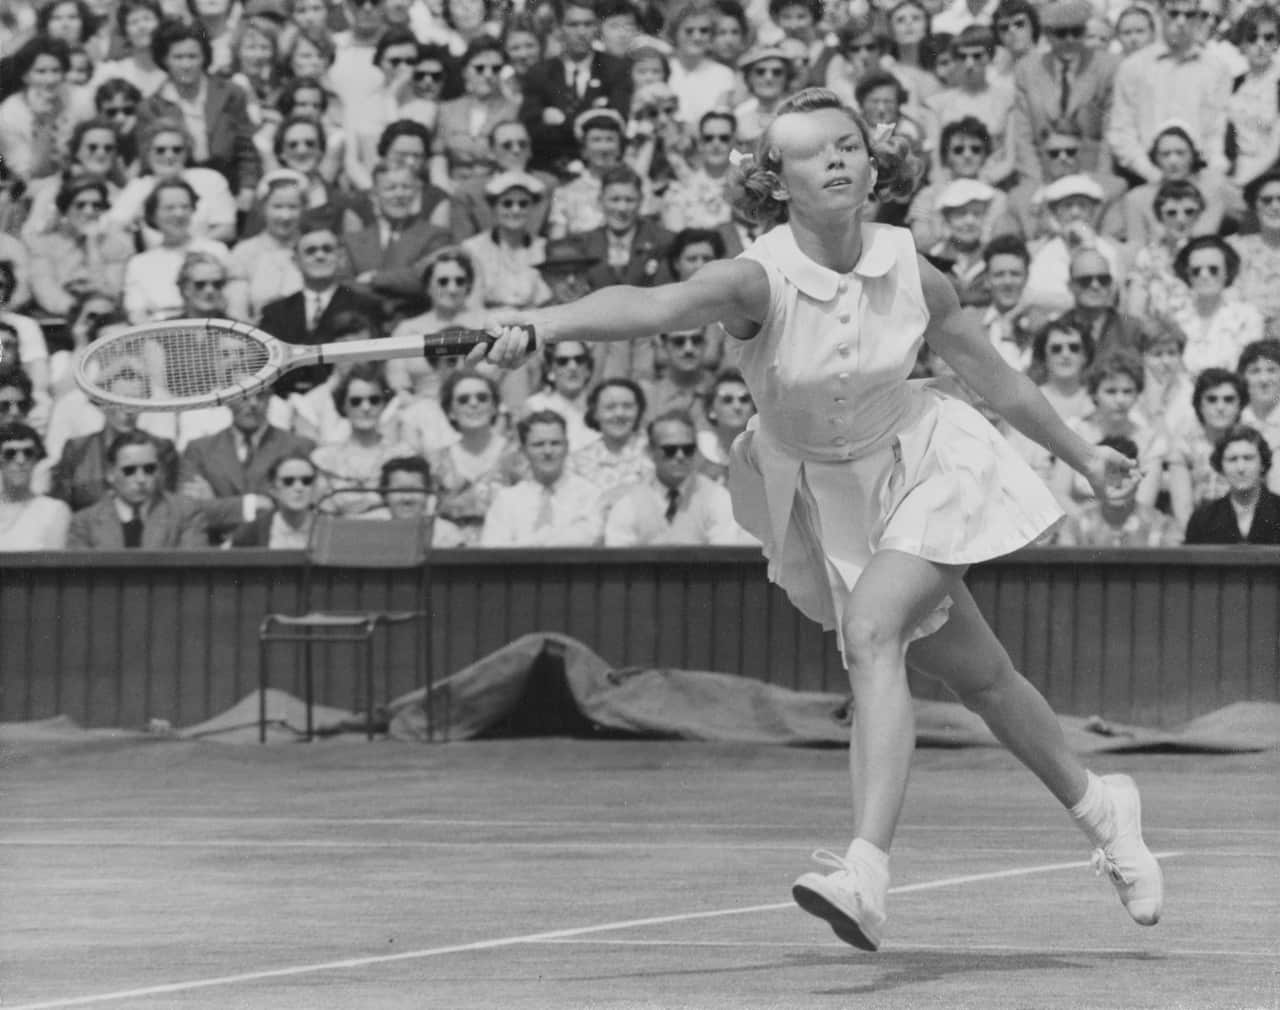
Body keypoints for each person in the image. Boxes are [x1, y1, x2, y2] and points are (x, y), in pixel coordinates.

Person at [479, 87, 1163, 948]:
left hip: (923, 463)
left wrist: (1083, 453)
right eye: (812, 152)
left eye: (848, 144)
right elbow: (652, 306)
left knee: (873, 634)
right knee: (981, 677)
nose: (836, 159)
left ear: (873, 165)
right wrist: (538, 325)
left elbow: (995, 378)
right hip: (823, 493)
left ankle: (866, 872)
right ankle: (1102, 808)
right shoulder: (752, 279)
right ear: (775, 181)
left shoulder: (914, 269)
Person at [258, 219, 384, 397]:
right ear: (296, 261)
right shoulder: (274, 312)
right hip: (286, 400)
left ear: (341, 257)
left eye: (327, 249)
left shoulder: (365, 306)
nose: (320, 256)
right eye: (310, 251)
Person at [179, 387, 316, 543]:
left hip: (275, 548)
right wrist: (252, 504)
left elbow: (302, 506)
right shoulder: (199, 450)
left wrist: (215, 504)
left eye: (260, 395)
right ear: (227, 398)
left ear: (270, 397)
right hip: (215, 551)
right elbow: (186, 511)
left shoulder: (300, 447)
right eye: (244, 395)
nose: (253, 403)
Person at [518, 0, 633, 174]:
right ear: (559, 29)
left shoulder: (616, 69)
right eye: (573, 25)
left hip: (602, 167)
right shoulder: (539, 73)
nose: (581, 32)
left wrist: (562, 122)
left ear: (597, 28)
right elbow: (532, 128)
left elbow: (616, 123)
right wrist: (591, 119)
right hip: (550, 167)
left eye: (588, 24)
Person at [480, 409, 604, 545]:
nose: (548, 451)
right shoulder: (506, 501)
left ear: (567, 447)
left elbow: (589, 538)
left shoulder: (590, 496)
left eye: (555, 443)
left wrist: (525, 543)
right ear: (524, 451)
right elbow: (493, 548)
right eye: (538, 445)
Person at [67, 430, 208, 548]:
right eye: (129, 470)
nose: (141, 479)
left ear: (159, 470)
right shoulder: (84, 523)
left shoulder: (185, 514)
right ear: (110, 474)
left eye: (149, 469)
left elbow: (194, 569)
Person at [1055, 435, 1181, 547]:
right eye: (1109, 473)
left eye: (1125, 472)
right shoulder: (1075, 527)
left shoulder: (1163, 527)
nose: (1117, 482)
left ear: (1137, 474)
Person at [1183, 425, 1280, 544]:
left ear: (1263, 464)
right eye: (1232, 459)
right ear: (1221, 467)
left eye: (1248, 458)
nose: (1241, 468)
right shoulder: (1202, 519)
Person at [0, 421, 71, 551]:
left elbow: (52, 563)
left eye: (28, 453)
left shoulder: (53, 511)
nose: (20, 460)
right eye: (10, 454)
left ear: (36, 459)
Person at [227, 450, 319, 547]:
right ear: (273, 489)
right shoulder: (249, 533)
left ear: (315, 487)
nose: (299, 488)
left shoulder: (327, 528)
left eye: (307, 481)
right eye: (288, 481)